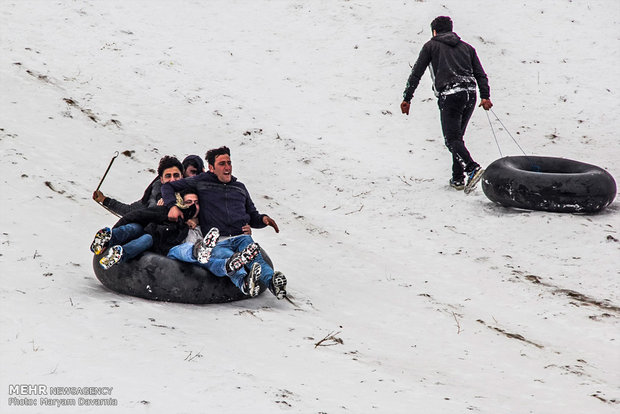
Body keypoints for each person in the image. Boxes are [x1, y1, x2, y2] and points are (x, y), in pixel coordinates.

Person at [161, 146, 287, 299]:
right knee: (230, 258)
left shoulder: (239, 188)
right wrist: (172, 206)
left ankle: (273, 283)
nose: (227, 167)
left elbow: (252, 215)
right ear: (211, 168)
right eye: (222, 164)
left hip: (241, 236)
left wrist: (263, 220)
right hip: (218, 240)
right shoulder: (202, 182)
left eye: (229, 163)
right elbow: (168, 186)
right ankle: (244, 283)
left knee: (256, 257)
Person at [401, 16, 493, 193]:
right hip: (470, 95)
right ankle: (458, 179)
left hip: (451, 94)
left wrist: (407, 98)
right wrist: (485, 96)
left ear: (434, 31)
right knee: (457, 137)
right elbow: (481, 74)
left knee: (451, 140)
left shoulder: (431, 46)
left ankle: (471, 168)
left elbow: (416, 73)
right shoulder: (468, 48)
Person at [90, 189, 201, 269]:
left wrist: (186, 223)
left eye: (196, 203)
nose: (193, 206)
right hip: (147, 231)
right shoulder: (166, 210)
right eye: (188, 202)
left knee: (146, 239)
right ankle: (108, 239)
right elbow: (135, 214)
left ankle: (119, 255)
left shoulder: (195, 225)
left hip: (158, 245)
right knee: (132, 229)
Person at [92, 155, 184, 215]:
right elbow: (130, 211)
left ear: (182, 176)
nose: (172, 180)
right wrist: (104, 200)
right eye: (168, 176)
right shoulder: (153, 194)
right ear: (161, 179)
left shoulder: (191, 197)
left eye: (176, 175)